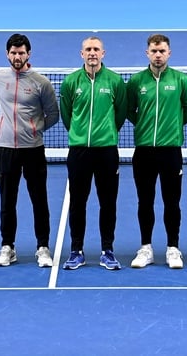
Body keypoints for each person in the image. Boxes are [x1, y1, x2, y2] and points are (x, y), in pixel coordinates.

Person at [0, 33, 59, 268]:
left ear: (28, 54)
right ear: (7, 54)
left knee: (39, 200)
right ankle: (7, 246)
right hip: (6, 149)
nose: (17, 56)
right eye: (13, 53)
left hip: (33, 150)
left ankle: (43, 247)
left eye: (21, 53)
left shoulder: (42, 83)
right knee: (7, 202)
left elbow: (53, 114)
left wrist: (35, 130)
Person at [127, 34, 187, 269]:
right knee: (145, 201)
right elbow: (129, 110)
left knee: (172, 202)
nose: (158, 55)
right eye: (154, 51)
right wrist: (144, 126)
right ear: (147, 53)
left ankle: (173, 248)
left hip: (171, 152)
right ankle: (146, 248)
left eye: (162, 51)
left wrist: (173, 125)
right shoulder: (136, 81)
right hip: (144, 151)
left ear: (169, 53)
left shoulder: (181, 80)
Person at [60, 36, 127, 270]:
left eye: (96, 49)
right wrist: (79, 135)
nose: (92, 53)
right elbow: (66, 114)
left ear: (103, 53)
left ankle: (107, 250)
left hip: (106, 151)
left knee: (108, 203)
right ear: (82, 54)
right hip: (79, 152)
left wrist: (106, 133)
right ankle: (76, 251)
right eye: (88, 49)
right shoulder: (70, 82)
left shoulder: (115, 81)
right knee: (78, 202)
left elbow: (120, 114)